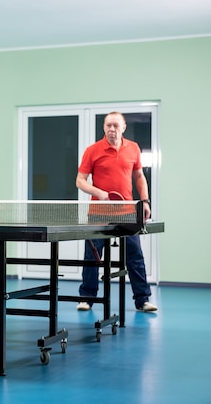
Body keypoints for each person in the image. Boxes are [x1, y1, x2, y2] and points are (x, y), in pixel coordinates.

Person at [75, 111, 157, 313]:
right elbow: (80, 181)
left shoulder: (134, 148)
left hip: (128, 212)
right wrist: (99, 193)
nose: (111, 129)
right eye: (108, 125)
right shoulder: (92, 150)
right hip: (98, 213)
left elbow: (139, 176)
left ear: (123, 127)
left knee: (135, 256)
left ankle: (142, 300)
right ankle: (87, 298)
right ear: (104, 127)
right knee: (91, 256)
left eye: (115, 125)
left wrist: (144, 201)